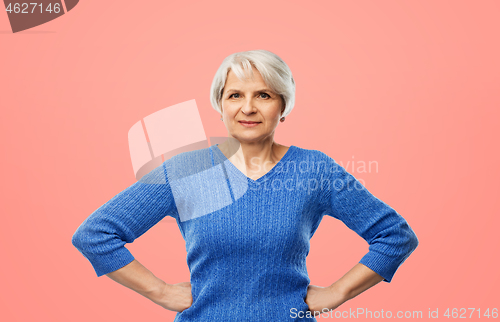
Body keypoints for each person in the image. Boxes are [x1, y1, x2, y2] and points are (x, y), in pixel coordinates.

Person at [71, 49, 419, 321]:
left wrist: (338, 293)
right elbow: (95, 235)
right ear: (220, 105)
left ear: (284, 105)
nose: (248, 108)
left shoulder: (314, 169)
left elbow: (395, 235)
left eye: (264, 95)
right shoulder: (186, 171)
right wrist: (160, 291)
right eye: (235, 95)